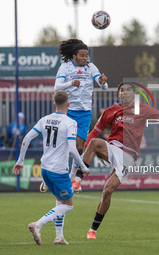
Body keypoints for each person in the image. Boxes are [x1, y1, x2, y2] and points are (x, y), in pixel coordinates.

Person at [78, 82, 159, 239]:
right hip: (113, 149)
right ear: (118, 94)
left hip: (128, 156)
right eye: (122, 90)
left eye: (128, 90)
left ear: (133, 94)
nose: (125, 93)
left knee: (107, 191)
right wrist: (82, 150)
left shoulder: (143, 109)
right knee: (94, 143)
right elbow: (94, 133)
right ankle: (77, 179)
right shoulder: (110, 111)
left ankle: (93, 230)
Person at [13, 90, 89, 245]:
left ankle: (59, 237)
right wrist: (83, 167)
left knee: (60, 202)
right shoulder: (70, 123)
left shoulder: (45, 119)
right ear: (68, 104)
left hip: (45, 169)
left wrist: (20, 160)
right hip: (59, 171)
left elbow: (26, 138)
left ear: (54, 104)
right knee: (68, 205)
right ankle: (37, 225)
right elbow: (73, 150)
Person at [54, 39, 108, 186]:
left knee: (79, 147)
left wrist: (103, 83)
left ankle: (72, 175)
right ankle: (61, 171)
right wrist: (70, 83)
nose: (85, 58)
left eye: (87, 55)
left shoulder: (91, 68)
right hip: (69, 111)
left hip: (85, 112)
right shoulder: (65, 68)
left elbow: (102, 84)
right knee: (66, 145)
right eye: (82, 55)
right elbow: (57, 87)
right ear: (74, 56)